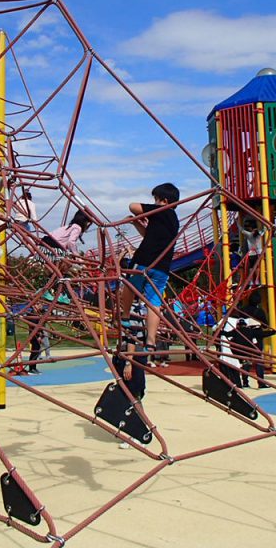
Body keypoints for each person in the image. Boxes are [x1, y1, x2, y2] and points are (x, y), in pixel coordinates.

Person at [125, 183, 180, 353]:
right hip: (162, 267)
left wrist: (148, 211)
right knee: (154, 303)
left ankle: (124, 317)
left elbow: (133, 206)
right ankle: (151, 340)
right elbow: (148, 235)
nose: (154, 203)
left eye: (155, 199)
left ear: (164, 200)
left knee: (128, 285)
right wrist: (136, 223)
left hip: (144, 261)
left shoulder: (161, 210)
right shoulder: (173, 221)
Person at [113, 298, 148, 446]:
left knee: (133, 395)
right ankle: (131, 428)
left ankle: (141, 431)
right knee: (126, 395)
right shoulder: (126, 310)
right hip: (124, 356)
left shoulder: (133, 311)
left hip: (133, 358)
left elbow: (133, 339)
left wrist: (129, 362)